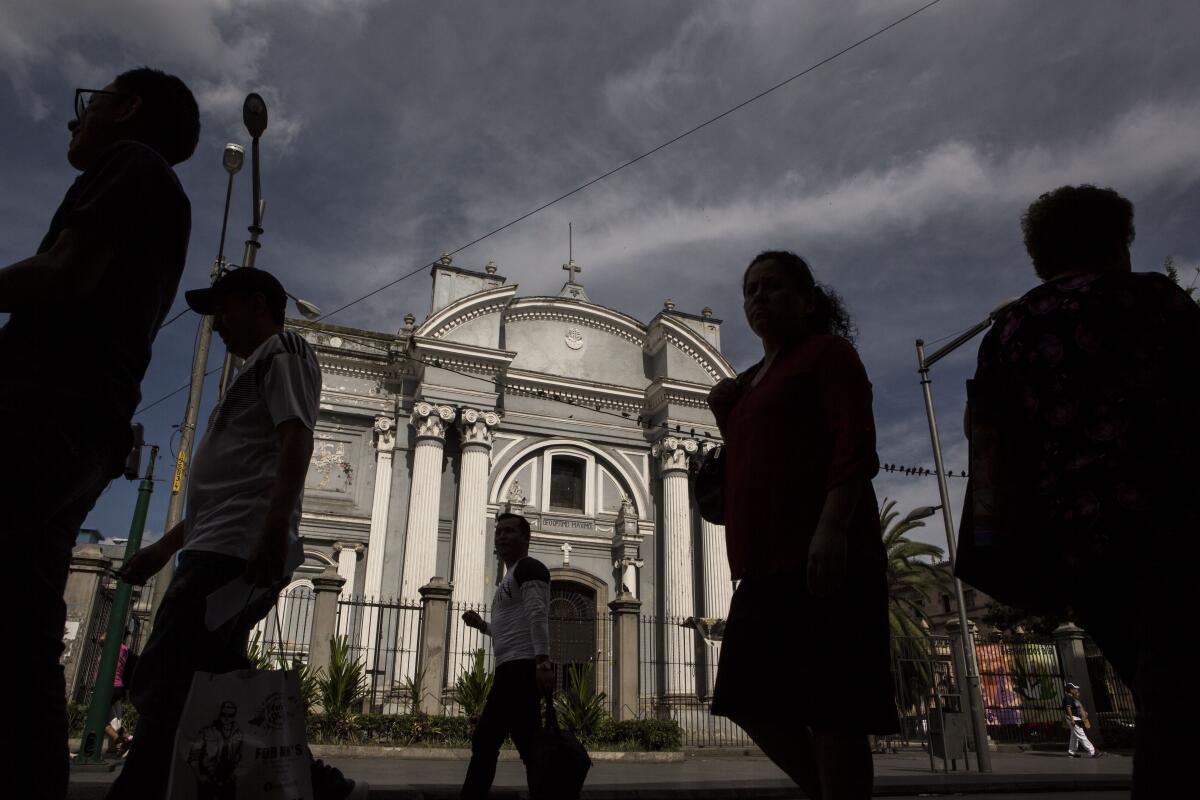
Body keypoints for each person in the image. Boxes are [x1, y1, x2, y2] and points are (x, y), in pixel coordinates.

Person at [0, 67, 198, 800]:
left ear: (129, 109)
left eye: (93, 102)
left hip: (43, 406)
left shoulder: (132, 165)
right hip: (85, 423)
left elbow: (66, 272)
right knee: (21, 632)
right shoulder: (160, 191)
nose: (74, 120)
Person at [965, 185, 1200, 796]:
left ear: (1038, 255)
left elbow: (987, 440)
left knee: (1159, 688)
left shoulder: (1009, 331)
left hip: (1080, 546)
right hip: (1175, 524)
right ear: (1116, 243)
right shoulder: (1151, 298)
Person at [108, 267, 365, 799]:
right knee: (215, 677)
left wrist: (273, 529)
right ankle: (317, 783)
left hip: (234, 550)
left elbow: (296, 439)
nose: (215, 324)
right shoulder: (250, 370)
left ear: (256, 303)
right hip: (216, 542)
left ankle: (136, 789)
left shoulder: (285, 353)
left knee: (166, 675)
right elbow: (227, 484)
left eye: (222, 310)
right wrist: (162, 547)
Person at [707, 251, 897, 800]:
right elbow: (753, 464)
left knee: (834, 710)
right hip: (764, 565)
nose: (758, 298)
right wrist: (726, 416)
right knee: (743, 698)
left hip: (826, 555)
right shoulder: (746, 384)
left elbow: (853, 441)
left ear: (807, 300)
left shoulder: (826, 354)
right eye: (750, 290)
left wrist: (833, 526)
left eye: (773, 286)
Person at [459, 513, 556, 799]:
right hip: (511, 667)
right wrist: (483, 626)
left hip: (521, 669)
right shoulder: (510, 576)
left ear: (526, 538)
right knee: (528, 745)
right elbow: (512, 629)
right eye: (499, 531)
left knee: (486, 740)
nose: (502, 536)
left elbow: (538, 615)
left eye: (510, 531)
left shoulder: (529, 568)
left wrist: (543, 662)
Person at [1062, 682, 1098, 758]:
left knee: (1074, 736)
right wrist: (1072, 719)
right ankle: (1092, 752)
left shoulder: (1071, 697)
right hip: (1073, 718)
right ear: (1070, 690)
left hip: (1075, 718)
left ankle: (1071, 752)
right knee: (1081, 735)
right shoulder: (1068, 697)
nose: (1076, 690)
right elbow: (1068, 708)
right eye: (1074, 689)